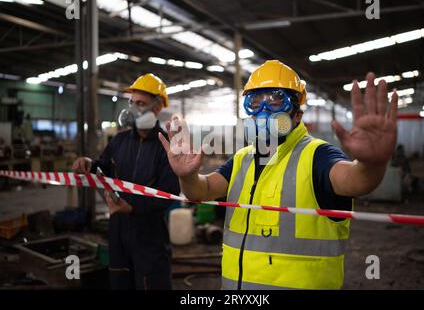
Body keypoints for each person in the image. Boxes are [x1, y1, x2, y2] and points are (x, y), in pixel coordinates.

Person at [159, 60, 398, 290]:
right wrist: (188, 176)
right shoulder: (243, 159)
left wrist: (372, 164)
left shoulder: (317, 156)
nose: (263, 111)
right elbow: (202, 191)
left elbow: (356, 181)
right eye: (255, 102)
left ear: (297, 115)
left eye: (275, 101)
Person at [72, 73, 180, 290]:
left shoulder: (167, 146)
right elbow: (105, 165)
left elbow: (169, 193)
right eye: (131, 103)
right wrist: (90, 164)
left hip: (149, 234)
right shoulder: (119, 141)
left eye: (141, 103)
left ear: (157, 108)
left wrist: (133, 207)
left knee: (152, 284)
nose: (133, 109)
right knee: (120, 282)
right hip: (118, 231)